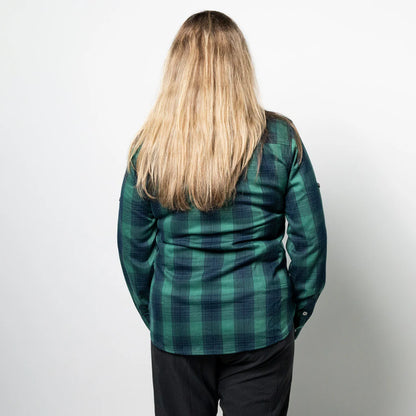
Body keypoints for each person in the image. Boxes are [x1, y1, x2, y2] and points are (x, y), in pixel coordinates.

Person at [117, 10, 327, 416]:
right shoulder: (282, 141)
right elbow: (311, 247)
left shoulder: (149, 149)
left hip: (179, 326)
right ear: (241, 67)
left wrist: (161, 315)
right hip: (261, 325)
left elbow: (133, 252)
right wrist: (288, 316)